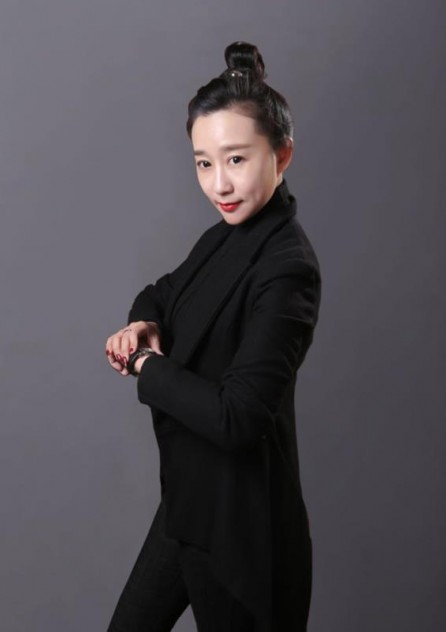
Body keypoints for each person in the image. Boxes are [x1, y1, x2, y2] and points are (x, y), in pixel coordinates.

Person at [105, 41, 321, 632]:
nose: (219, 184)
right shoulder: (225, 235)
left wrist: (146, 367)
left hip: (243, 534)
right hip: (190, 504)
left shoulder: (288, 267)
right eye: (203, 163)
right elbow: (162, 292)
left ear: (282, 154)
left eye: (236, 159)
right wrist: (144, 324)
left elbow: (237, 418)